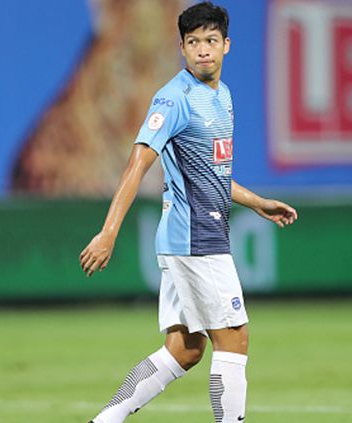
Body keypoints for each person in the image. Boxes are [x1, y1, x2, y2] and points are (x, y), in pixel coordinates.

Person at [79, 2, 298, 422]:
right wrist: (108, 233)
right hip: (196, 237)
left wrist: (257, 202)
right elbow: (137, 163)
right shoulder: (174, 98)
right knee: (234, 339)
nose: (202, 50)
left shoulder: (222, 96)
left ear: (226, 46)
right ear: (181, 48)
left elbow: (210, 173)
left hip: (192, 236)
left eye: (210, 41)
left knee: (185, 350)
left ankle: (105, 420)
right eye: (193, 42)